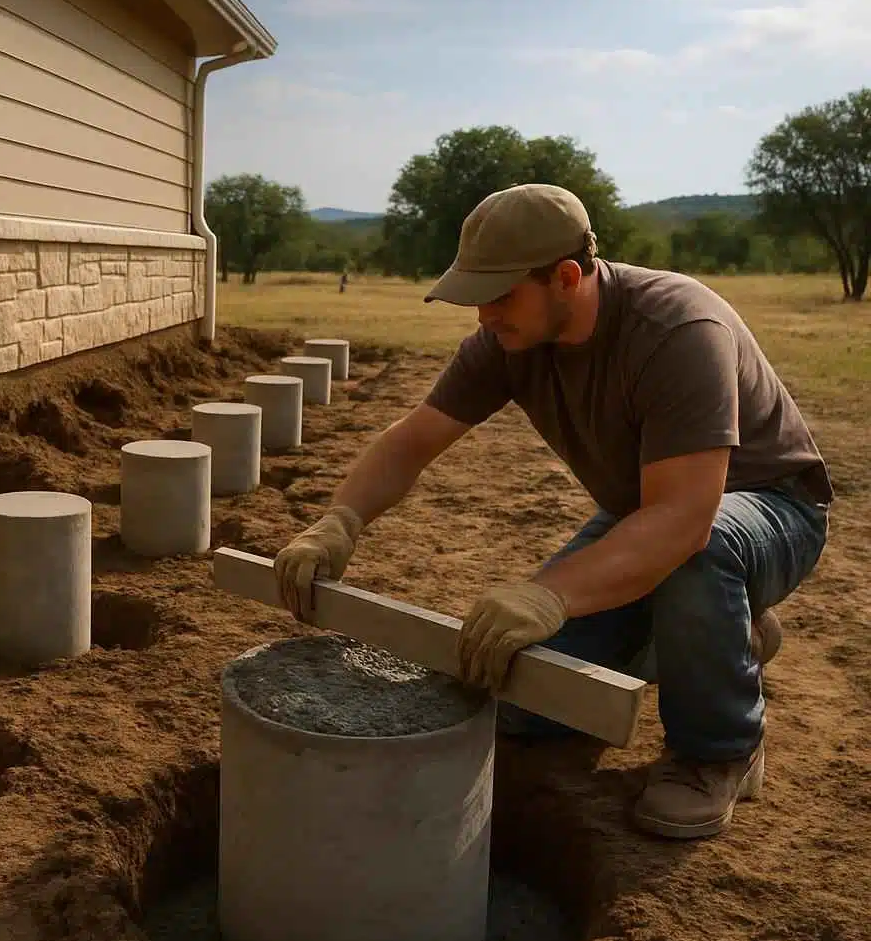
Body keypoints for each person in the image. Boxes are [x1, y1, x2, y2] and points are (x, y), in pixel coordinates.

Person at [272, 183, 832, 840]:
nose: (484, 315)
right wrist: (338, 521)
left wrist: (549, 594)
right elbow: (411, 442)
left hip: (768, 512)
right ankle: (726, 636)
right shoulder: (508, 340)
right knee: (519, 695)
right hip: (646, 518)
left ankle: (720, 751)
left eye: (500, 295)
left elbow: (685, 520)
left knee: (699, 556)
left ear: (566, 277)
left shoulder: (678, 330)